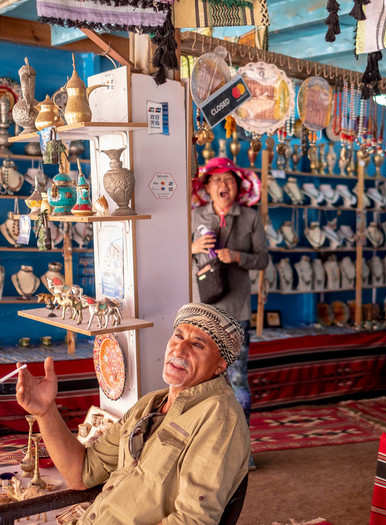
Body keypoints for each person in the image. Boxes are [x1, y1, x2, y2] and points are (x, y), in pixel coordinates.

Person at [15, 303, 250, 524]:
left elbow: (193, 519)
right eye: (178, 336)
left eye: (198, 345)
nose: (180, 348)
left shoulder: (219, 416)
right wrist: (46, 412)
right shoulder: (151, 404)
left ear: (221, 365)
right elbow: (82, 473)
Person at [191, 157, 269, 469]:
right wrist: (193, 247)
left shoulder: (250, 218)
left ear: (239, 187)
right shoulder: (196, 216)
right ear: (207, 187)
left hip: (237, 312)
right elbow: (175, 250)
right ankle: (207, 449)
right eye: (218, 181)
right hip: (204, 312)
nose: (224, 186)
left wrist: (237, 256)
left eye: (230, 180)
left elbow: (262, 259)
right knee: (202, 382)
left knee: (237, 381)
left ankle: (241, 450)